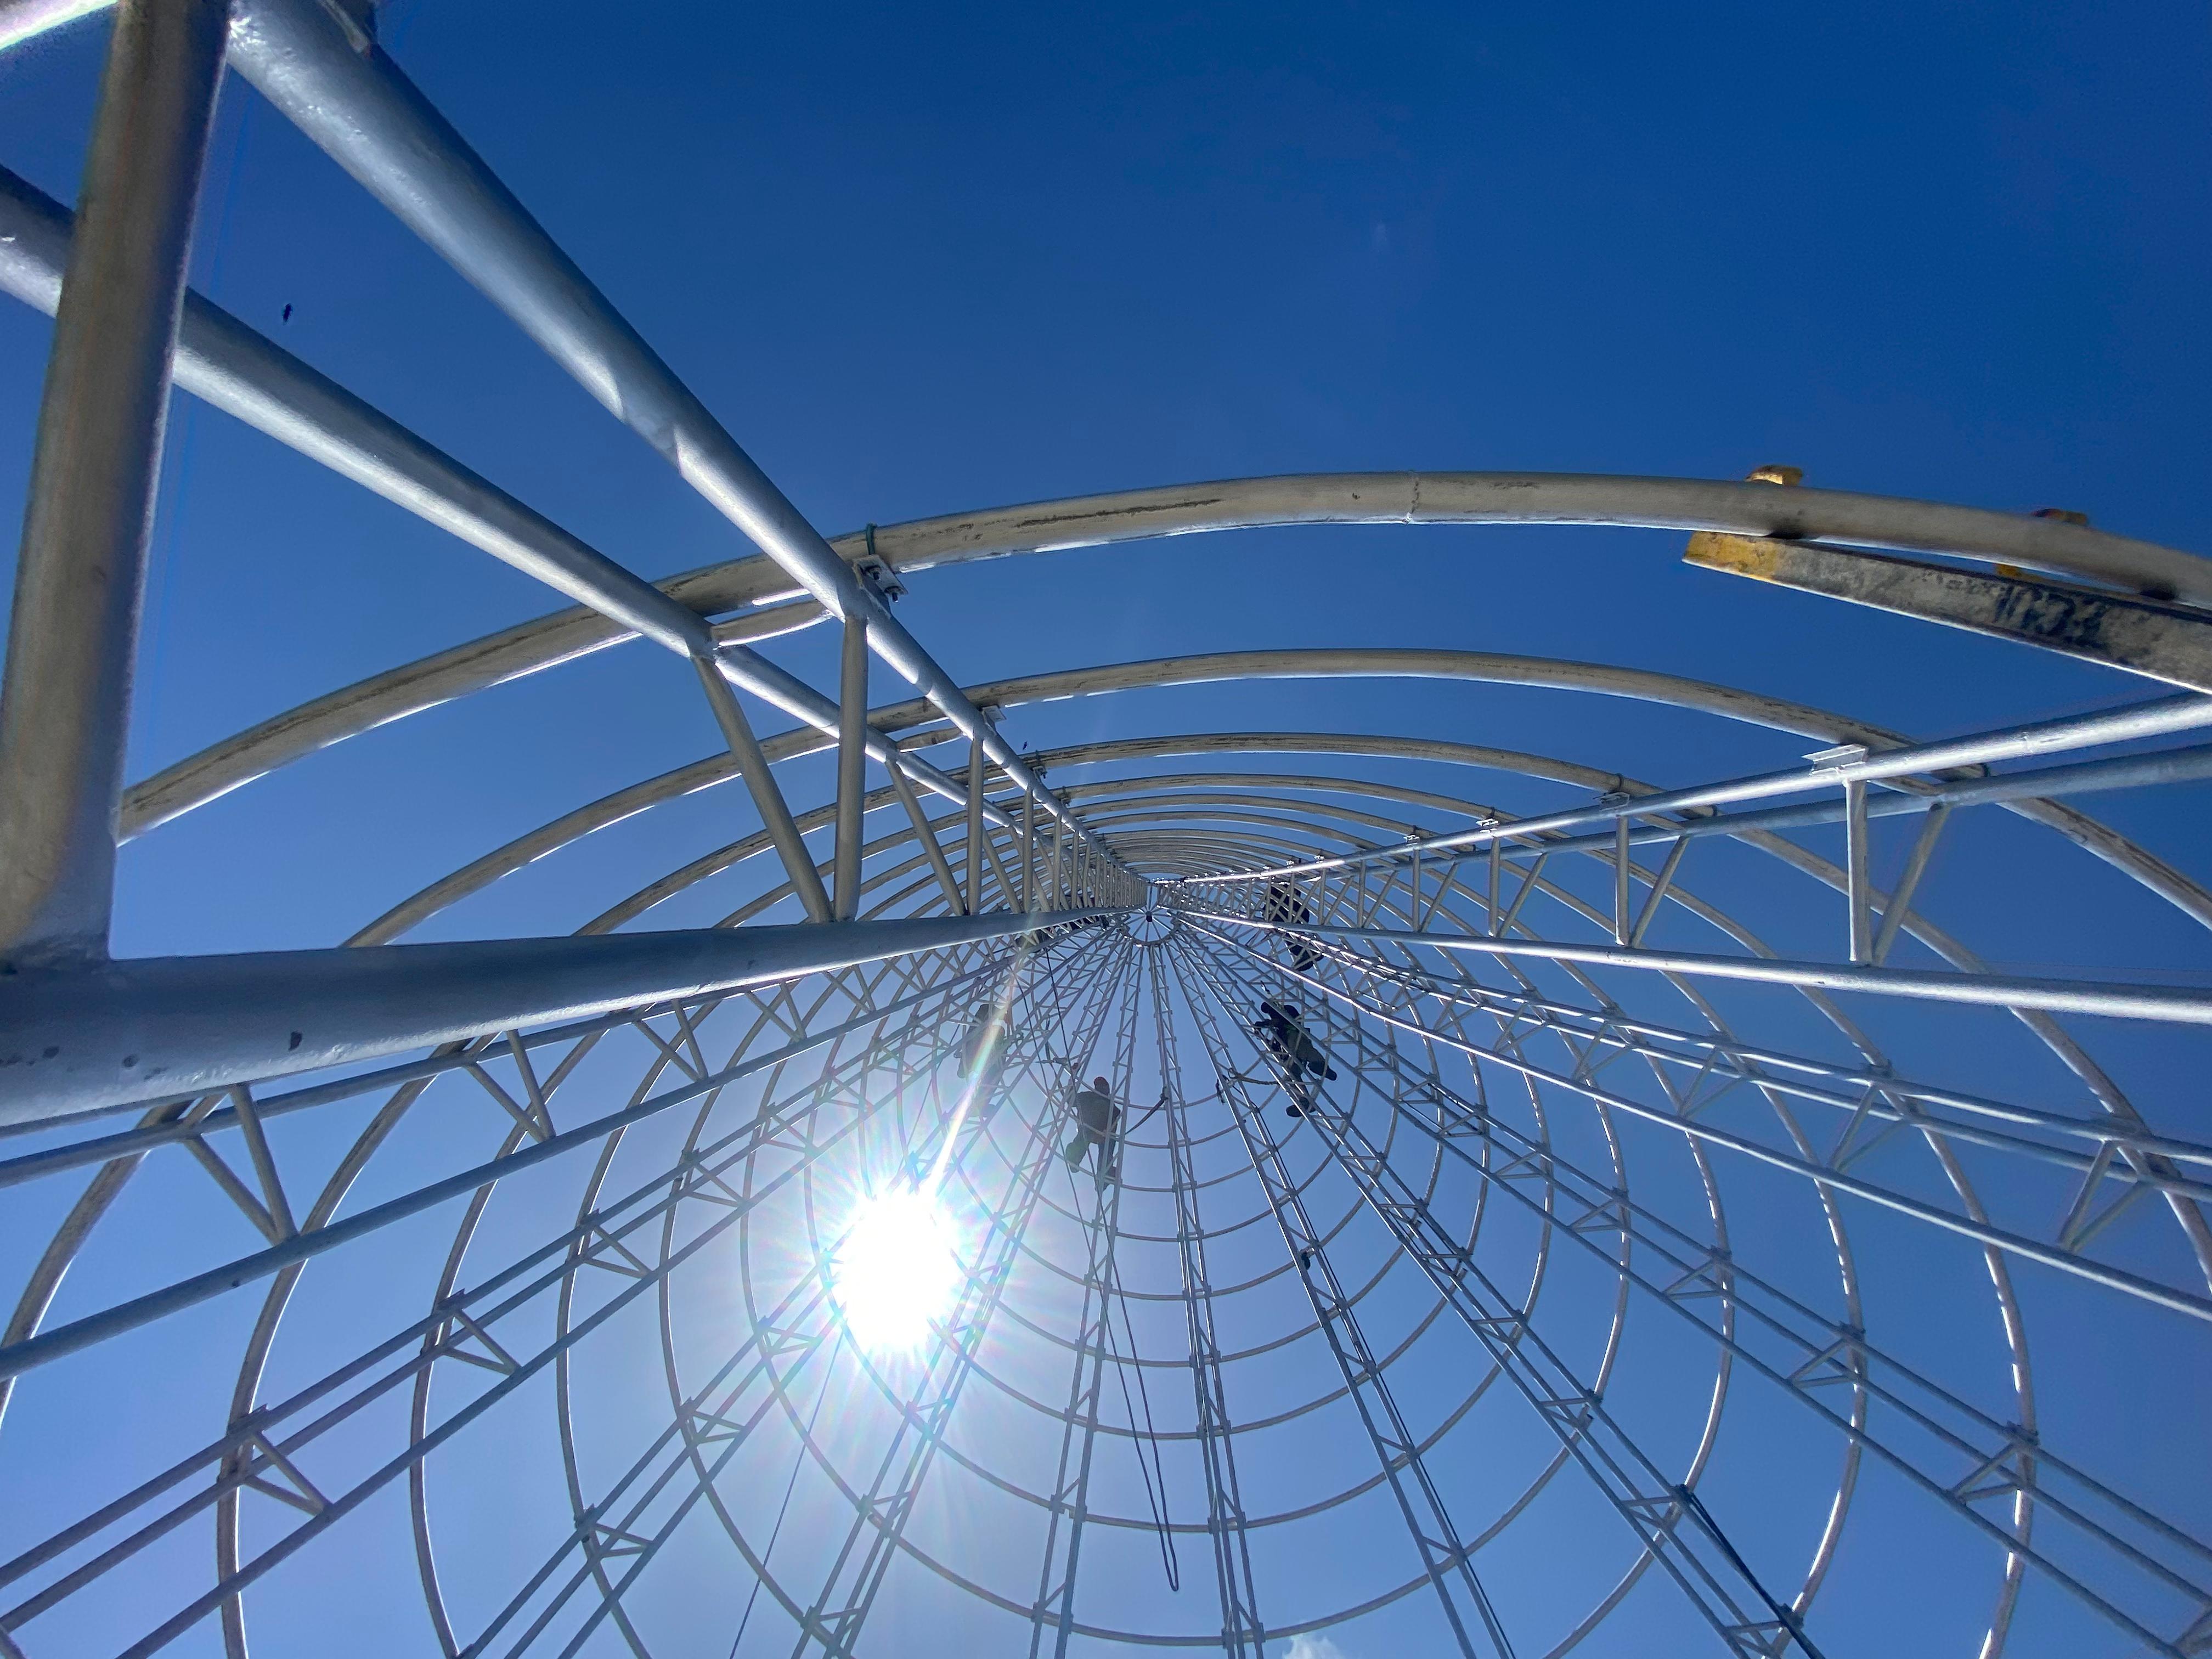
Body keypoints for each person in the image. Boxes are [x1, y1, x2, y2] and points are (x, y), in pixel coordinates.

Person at [1252, 1000, 1336, 1117]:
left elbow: (1286, 1020)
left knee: (1302, 1049)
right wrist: (1263, 1037)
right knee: (1291, 1075)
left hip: (1294, 1035)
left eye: (1269, 1010)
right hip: (1287, 1049)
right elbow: (1275, 1045)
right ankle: (1304, 1100)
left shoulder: (1286, 1010)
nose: (1270, 1013)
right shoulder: (1277, 1031)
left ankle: (1321, 1066)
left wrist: (1267, 1023)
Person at [957, 1002, 1011, 1126]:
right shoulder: (980, 1032)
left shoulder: (997, 1053)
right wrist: (1002, 1014)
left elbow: (996, 1073)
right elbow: (984, 1009)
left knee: (994, 1074)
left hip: (982, 1062)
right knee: (992, 1074)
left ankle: (981, 1105)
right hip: (976, 1057)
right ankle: (981, 1104)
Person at [1063, 1073, 1122, 1181]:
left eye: (1103, 1085)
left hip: (1103, 1131)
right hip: (1089, 1126)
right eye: (1100, 1085)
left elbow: (1116, 1117)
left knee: (1108, 1142)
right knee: (1086, 1135)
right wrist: (1072, 1081)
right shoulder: (1088, 1096)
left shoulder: (1110, 1104)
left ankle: (1104, 1170)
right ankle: (1076, 1156)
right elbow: (1071, 1099)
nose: (1101, 1088)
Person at [1263, 880, 1319, 972]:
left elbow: (1304, 915)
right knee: (1295, 943)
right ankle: (1311, 953)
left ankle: (1311, 953)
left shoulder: (1279, 904)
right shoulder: (1278, 903)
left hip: (1286, 922)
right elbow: (1304, 915)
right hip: (1287, 923)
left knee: (1294, 943)